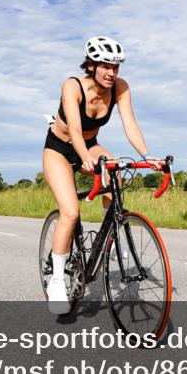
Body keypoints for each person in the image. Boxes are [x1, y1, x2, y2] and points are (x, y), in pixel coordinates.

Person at [42, 36, 161, 315]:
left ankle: (110, 233)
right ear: (91, 66)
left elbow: (130, 125)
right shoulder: (73, 86)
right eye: (105, 66)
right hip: (60, 148)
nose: (111, 73)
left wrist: (146, 155)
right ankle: (57, 280)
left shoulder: (120, 88)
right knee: (69, 212)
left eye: (116, 67)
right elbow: (72, 130)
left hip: (91, 143)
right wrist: (84, 158)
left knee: (116, 174)